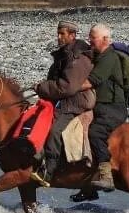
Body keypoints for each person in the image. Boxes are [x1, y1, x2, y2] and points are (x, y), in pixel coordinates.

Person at [30, 21, 94, 187]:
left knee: (54, 130)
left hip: (76, 102)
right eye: (58, 33)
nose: (58, 37)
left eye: (62, 34)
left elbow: (67, 86)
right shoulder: (64, 54)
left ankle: (49, 171)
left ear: (72, 35)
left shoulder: (78, 58)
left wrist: (42, 87)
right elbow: (54, 80)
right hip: (63, 100)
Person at [84, 23, 128, 192]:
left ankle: (106, 176)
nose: (90, 41)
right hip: (101, 107)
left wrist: (66, 89)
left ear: (105, 39)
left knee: (95, 132)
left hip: (113, 109)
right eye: (89, 37)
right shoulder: (98, 56)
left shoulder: (109, 57)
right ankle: (86, 185)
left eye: (93, 38)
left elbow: (91, 81)